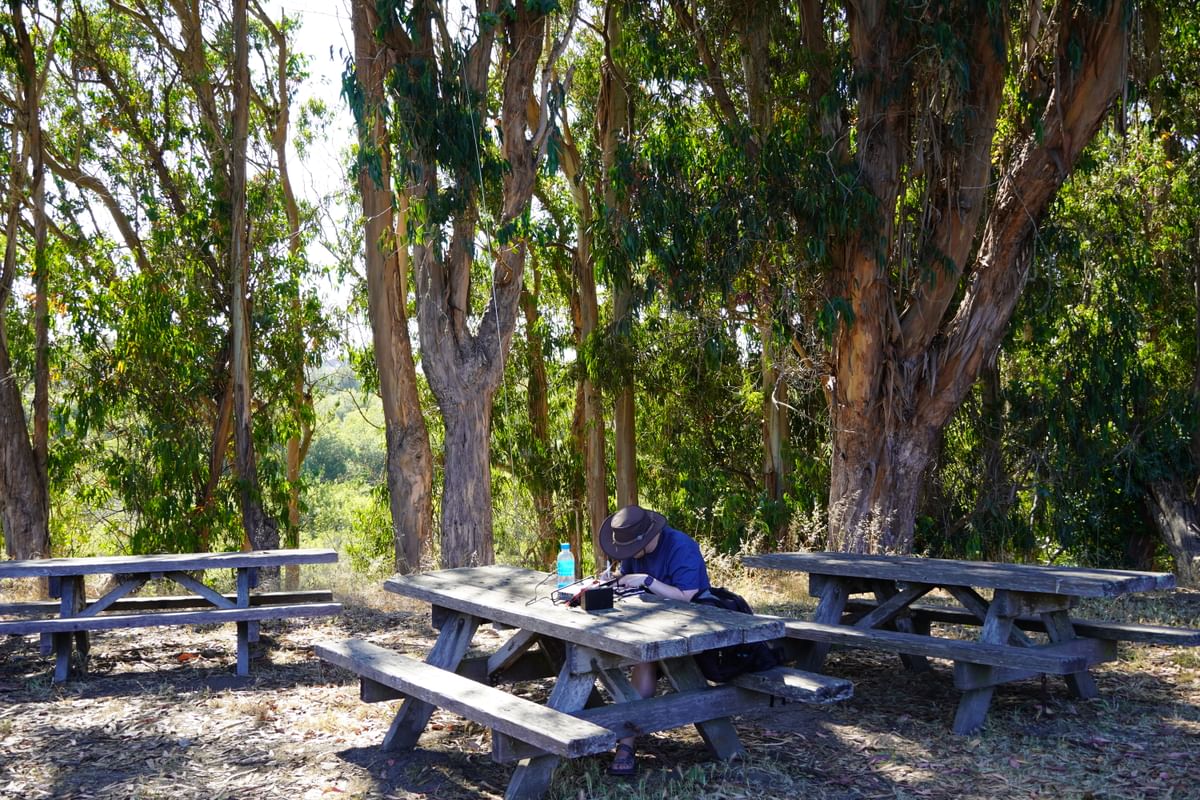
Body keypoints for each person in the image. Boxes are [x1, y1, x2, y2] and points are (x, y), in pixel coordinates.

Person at [597, 504, 711, 777]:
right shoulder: (634, 552)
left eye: (629, 549)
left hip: (695, 625)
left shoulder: (681, 547)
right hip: (651, 623)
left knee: (645, 657)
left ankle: (625, 743)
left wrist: (647, 580)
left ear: (646, 539)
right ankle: (618, 731)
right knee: (629, 653)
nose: (625, 554)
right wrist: (615, 580)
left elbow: (687, 597)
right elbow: (629, 578)